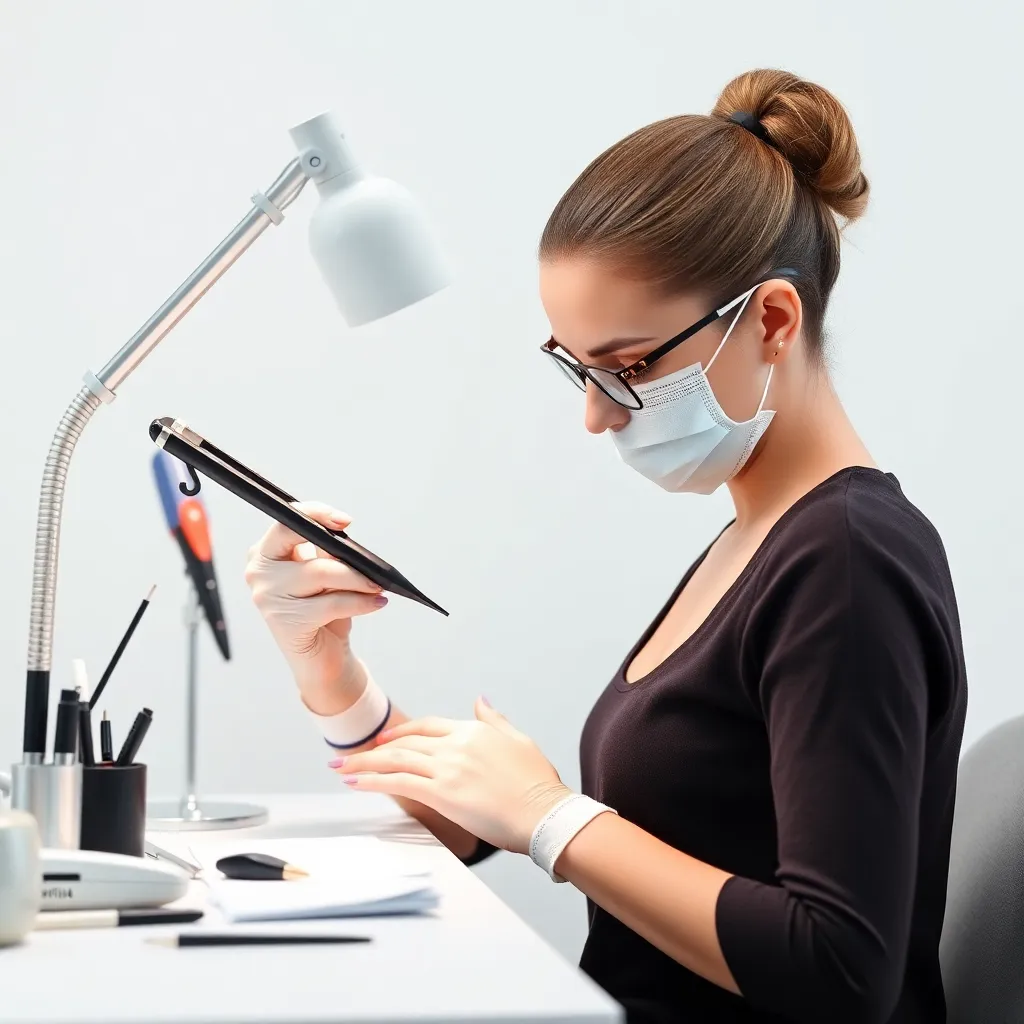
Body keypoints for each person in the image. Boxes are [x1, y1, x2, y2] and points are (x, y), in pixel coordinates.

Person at [244, 68, 967, 1024]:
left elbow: (838, 971)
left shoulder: (846, 562)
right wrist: (331, 674)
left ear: (773, 321)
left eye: (626, 368)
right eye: (576, 369)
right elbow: (570, 831)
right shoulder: (760, 538)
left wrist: (551, 816)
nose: (595, 414)